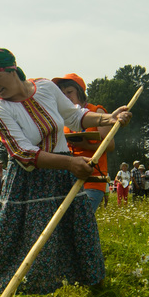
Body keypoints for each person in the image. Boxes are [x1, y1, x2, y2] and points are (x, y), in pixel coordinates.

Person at [0, 48, 132, 297]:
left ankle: (99, 291)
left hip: (62, 174)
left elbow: (76, 116)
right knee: (14, 239)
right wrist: (70, 163)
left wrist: (109, 118)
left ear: (13, 70)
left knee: (81, 229)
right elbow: (23, 152)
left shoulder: (46, 88)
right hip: (28, 180)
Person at [53, 73, 113, 215]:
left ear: (80, 92)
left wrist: (85, 145)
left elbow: (110, 145)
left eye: (69, 92)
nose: (66, 96)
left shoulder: (97, 111)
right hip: (68, 176)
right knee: (67, 221)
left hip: (93, 176)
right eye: (62, 94)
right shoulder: (62, 117)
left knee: (83, 218)